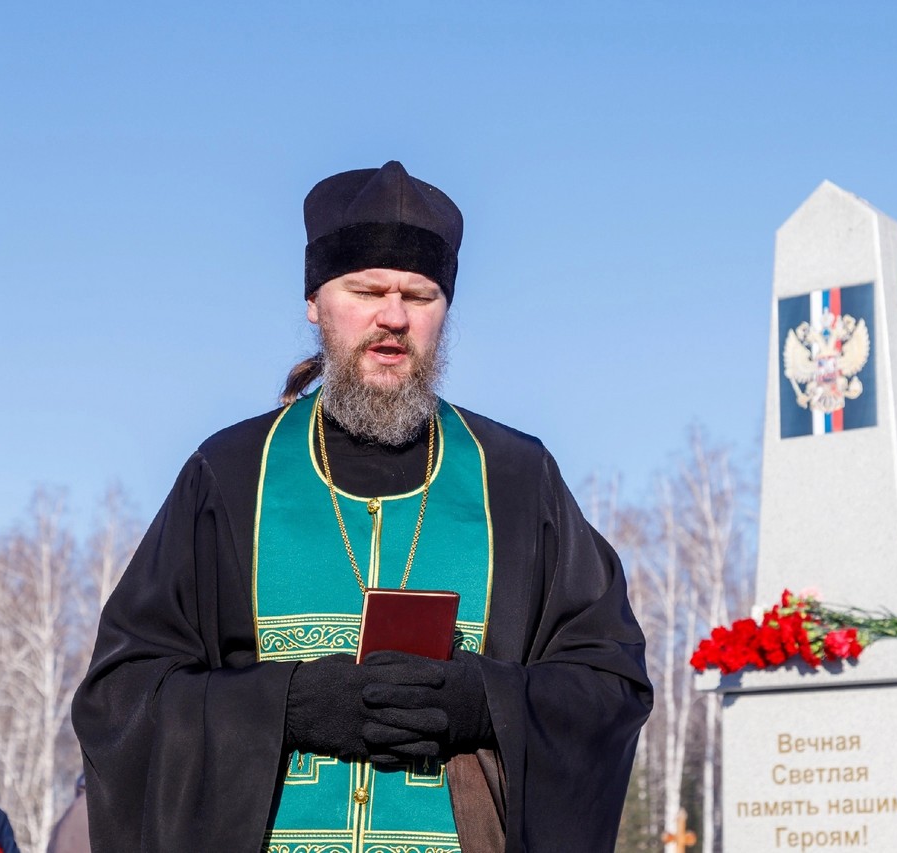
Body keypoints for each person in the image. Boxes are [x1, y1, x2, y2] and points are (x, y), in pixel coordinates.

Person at [72, 161, 651, 853]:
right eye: (367, 289)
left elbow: (608, 683)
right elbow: (122, 696)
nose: (394, 316)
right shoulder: (229, 474)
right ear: (316, 302)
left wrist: (484, 703)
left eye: (420, 294)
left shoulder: (518, 480)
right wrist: (285, 706)